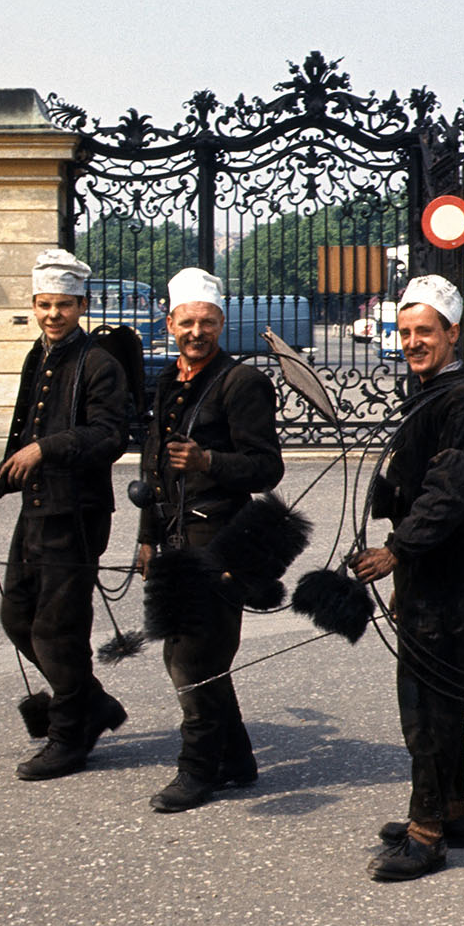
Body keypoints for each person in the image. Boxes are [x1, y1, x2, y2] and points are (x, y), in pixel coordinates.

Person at [349, 274, 464, 882]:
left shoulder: (462, 403)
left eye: (425, 332)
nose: (413, 341)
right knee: (440, 699)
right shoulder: (429, 394)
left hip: (446, 571)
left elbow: (447, 494)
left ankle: (427, 832)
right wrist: (388, 494)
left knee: (427, 705)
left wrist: (394, 551)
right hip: (431, 567)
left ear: (452, 334)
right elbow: (418, 486)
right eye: (406, 331)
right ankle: (455, 812)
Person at [0, 249, 130, 781]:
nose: (54, 314)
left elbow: (111, 436)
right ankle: (91, 703)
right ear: (34, 305)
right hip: (36, 510)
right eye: (45, 304)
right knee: (16, 619)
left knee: (58, 631)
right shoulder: (41, 354)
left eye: (64, 305)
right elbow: (22, 443)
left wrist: (48, 448)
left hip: (76, 516)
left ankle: (69, 734)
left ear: (83, 305)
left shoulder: (99, 363)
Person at [136, 267, 284, 812]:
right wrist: (146, 537)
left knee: (193, 659)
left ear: (222, 322)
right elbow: (153, 466)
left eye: (208, 322)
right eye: (187, 322)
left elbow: (268, 468)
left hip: (220, 540)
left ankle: (198, 770)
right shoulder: (169, 381)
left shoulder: (242, 382)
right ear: (170, 322)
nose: (197, 331)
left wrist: (208, 460)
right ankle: (238, 757)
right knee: (194, 653)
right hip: (173, 538)